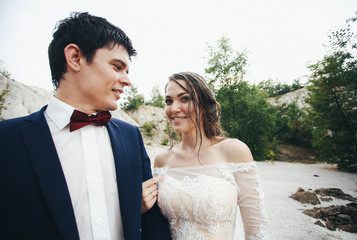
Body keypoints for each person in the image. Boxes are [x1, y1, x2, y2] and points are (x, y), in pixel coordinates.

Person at [0, 12, 171, 240]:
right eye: (117, 67)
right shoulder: (7, 140)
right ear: (75, 58)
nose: (127, 80)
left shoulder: (131, 137)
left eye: (127, 71)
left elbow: (152, 224)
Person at [142, 72, 270, 239]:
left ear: (204, 104)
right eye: (168, 101)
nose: (174, 108)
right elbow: (156, 225)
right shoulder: (162, 160)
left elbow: (256, 228)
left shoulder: (234, 151)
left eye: (185, 98)